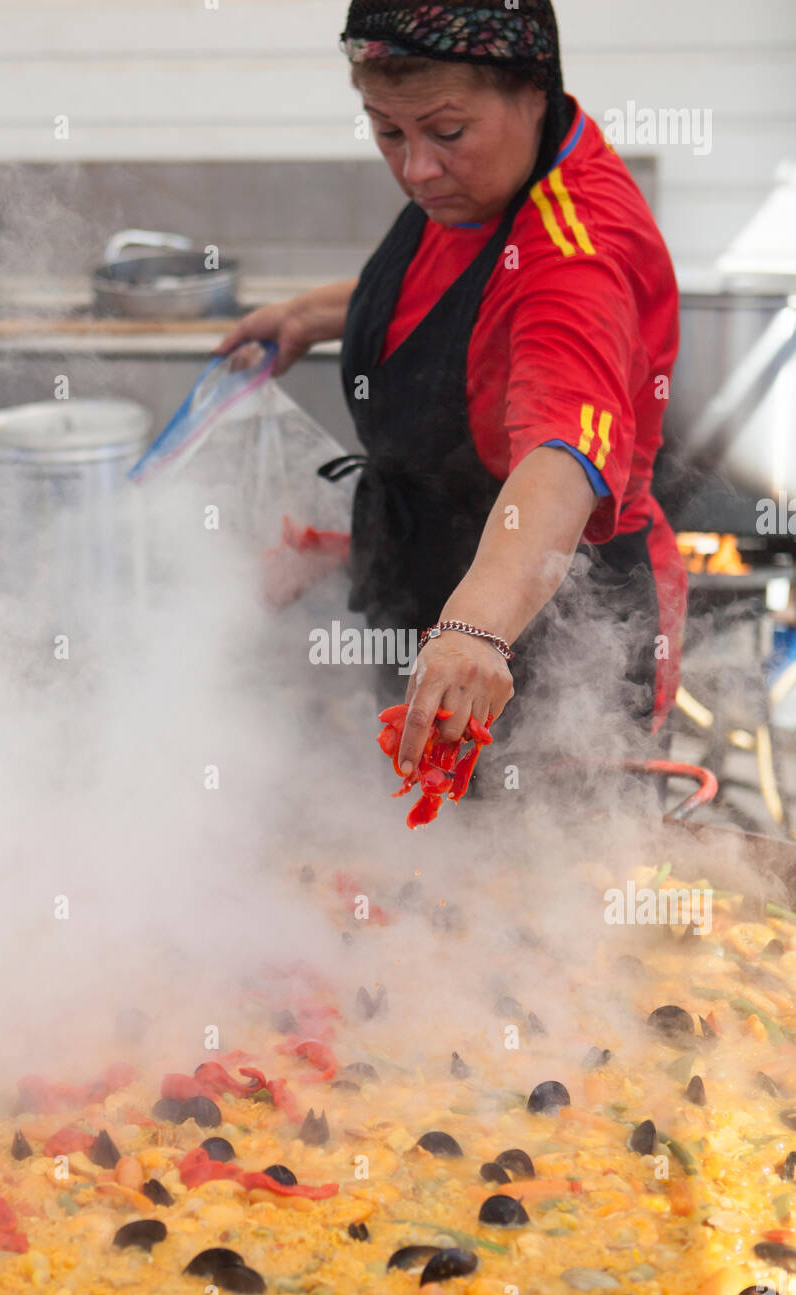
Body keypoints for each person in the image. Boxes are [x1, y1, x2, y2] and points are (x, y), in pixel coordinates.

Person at [220, 0, 687, 780]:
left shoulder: (578, 256)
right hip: (437, 594)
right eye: (386, 131)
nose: (417, 170)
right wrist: (313, 314)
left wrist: (473, 629)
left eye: (446, 132)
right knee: (421, 843)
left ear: (534, 90)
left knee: (550, 853)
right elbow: (461, 300)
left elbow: (562, 457)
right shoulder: (483, 187)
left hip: (553, 631)